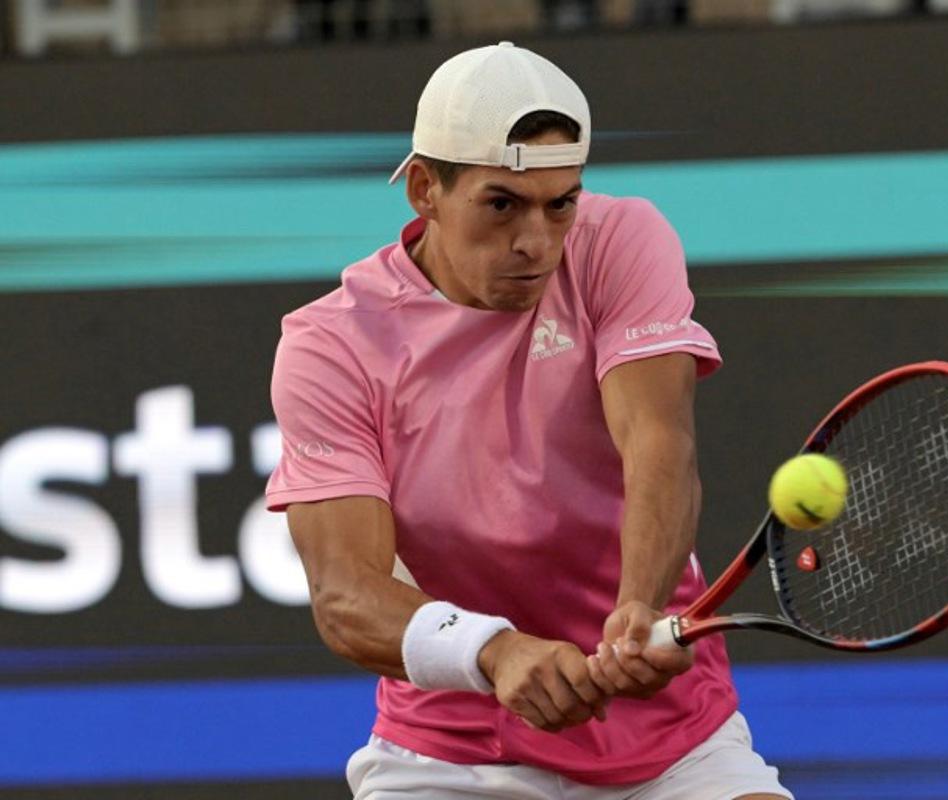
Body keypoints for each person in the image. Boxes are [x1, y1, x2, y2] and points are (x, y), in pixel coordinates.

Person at [266, 41, 792, 800]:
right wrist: (495, 652)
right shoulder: (331, 343)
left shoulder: (621, 240)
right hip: (452, 755)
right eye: (502, 204)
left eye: (561, 203)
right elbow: (346, 595)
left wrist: (638, 607)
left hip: (674, 742)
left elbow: (658, 443)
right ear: (424, 188)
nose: (536, 243)